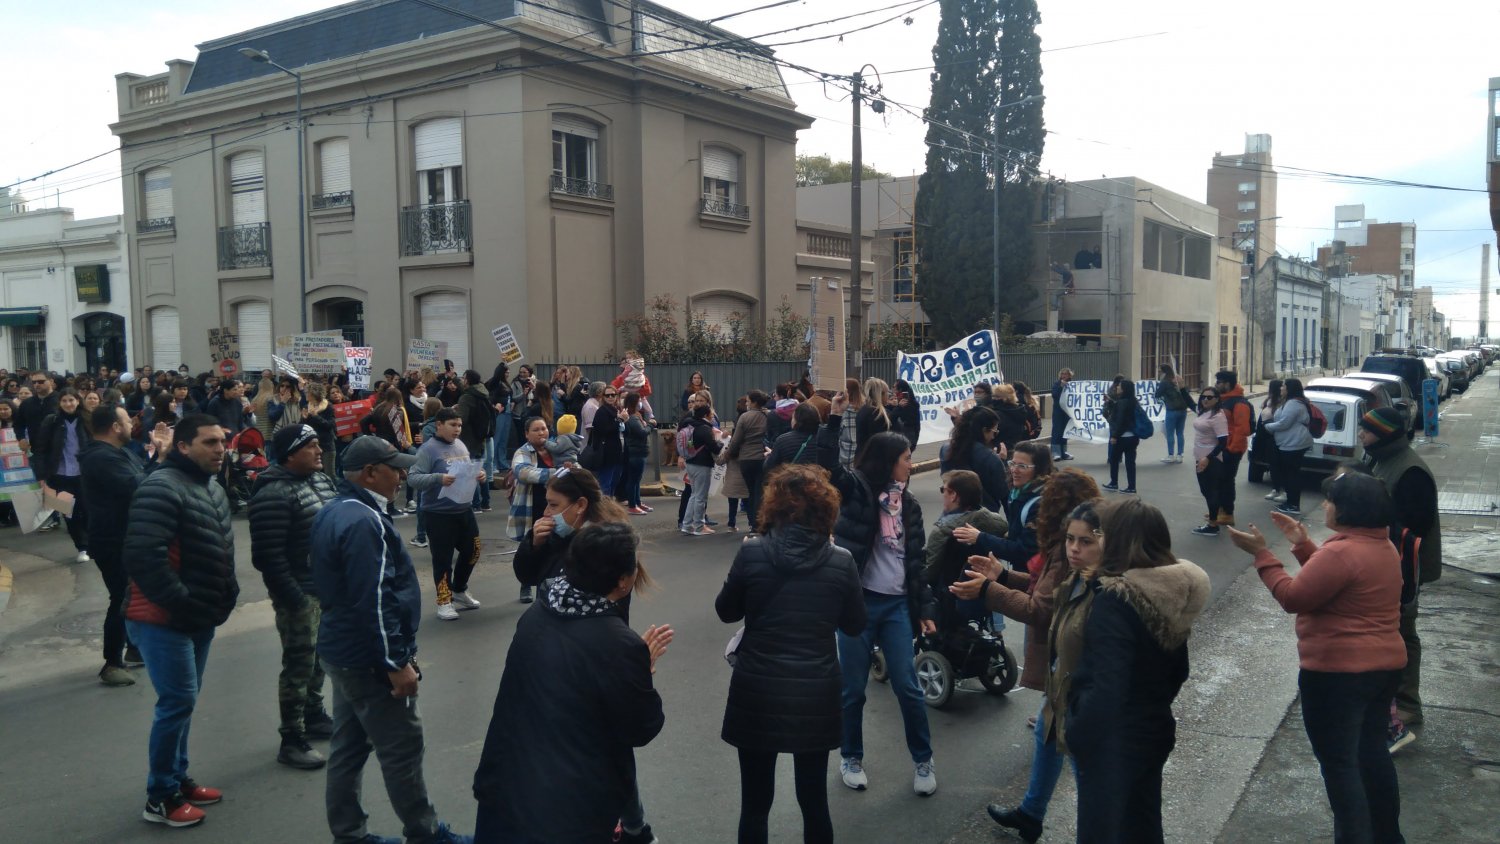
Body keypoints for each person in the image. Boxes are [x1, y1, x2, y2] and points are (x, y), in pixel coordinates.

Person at [1227, 471, 1406, 842]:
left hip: (1338, 674)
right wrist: (1303, 545)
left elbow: (1294, 597)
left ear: (1346, 509)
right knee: (1371, 755)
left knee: (1341, 767)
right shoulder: (1380, 545)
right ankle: (1387, 836)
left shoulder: (1343, 551)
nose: (1325, 504)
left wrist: (1262, 554)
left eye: (1330, 499)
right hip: (1382, 667)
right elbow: (1337, 584)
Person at [310, 436, 472, 844]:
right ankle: (426, 833)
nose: (401, 476)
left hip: (343, 649)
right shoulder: (364, 521)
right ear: (369, 473)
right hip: (368, 659)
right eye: (394, 468)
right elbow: (374, 599)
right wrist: (396, 663)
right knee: (401, 748)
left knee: (348, 746)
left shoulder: (338, 509)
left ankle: (348, 833)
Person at [473, 523, 670, 844]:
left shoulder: (540, 610)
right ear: (623, 581)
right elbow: (641, 728)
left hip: (507, 783)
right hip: (567, 808)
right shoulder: (618, 644)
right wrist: (641, 672)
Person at [717, 464, 865, 844]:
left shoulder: (752, 554)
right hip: (815, 690)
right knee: (814, 800)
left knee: (755, 803)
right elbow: (854, 625)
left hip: (758, 689)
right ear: (826, 509)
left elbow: (726, 611)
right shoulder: (841, 561)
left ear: (774, 506)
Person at [956, 481, 1102, 843]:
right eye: (1073, 540)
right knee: (1047, 734)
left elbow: (1041, 608)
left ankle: (1088, 830)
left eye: (1083, 541)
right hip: (1066, 662)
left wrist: (990, 589)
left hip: (1074, 667)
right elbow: (1044, 593)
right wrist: (1002, 575)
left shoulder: (1071, 554)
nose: (1075, 547)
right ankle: (1032, 813)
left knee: (1080, 759)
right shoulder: (1062, 547)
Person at [1060, 498, 1210, 843]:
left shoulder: (1117, 599)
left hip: (1114, 741)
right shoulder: (1170, 590)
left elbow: (1108, 685)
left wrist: (1079, 731)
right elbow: (1179, 669)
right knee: (1142, 825)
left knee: (1102, 830)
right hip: (1153, 726)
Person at [816, 399, 939, 796]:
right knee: (852, 689)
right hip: (858, 606)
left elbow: (917, 562)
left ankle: (923, 761)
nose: (910, 464)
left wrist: (924, 609)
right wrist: (833, 418)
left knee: (907, 685)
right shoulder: (856, 492)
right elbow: (829, 468)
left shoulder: (910, 506)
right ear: (888, 461)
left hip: (898, 607)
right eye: (905, 458)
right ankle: (850, 757)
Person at [122, 415, 239, 828]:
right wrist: (183, 603)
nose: (219, 449)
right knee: (176, 703)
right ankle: (160, 797)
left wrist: (228, 593)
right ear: (184, 446)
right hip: (161, 618)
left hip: (197, 616)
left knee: (184, 704)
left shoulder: (211, 486)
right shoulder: (160, 486)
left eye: (222, 441)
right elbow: (144, 558)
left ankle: (177, 778)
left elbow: (220, 547)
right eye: (209, 442)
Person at [248, 424, 340, 770]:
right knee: (299, 666)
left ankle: (314, 716)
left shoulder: (320, 480)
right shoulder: (272, 493)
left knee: (320, 661)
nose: (320, 451)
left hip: (326, 590)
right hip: (300, 593)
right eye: (312, 446)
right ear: (290, 453)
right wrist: (296, 599)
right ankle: (292, 737)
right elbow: (268, 558)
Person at [1358, 406, 1441, 733]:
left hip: (1402, 568)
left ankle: (1407, 706)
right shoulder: (1379, 458)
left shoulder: (1411, 471)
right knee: (1385, 635)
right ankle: (1385, 700)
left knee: (1403, 634)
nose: (1360, 434)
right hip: (1381, 563)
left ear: (1385, 433)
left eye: (1366, 429)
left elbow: (1414, 528)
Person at [79, 405, 172, 686]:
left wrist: (157, 453)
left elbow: (140, 471)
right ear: (115, 427)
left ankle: (133, 648)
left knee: (132, 594)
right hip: (112, 539)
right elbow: (138, 485)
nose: (132, 423)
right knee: (121, 598)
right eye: (126, 420)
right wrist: (163, 458)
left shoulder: (118, 452)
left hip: (127, 536)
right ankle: (112, 663)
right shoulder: (100, 457)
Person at [408, 408, 486, 621]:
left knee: (474, 550)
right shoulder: (427, 449)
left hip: (463, 508)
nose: (457, 429)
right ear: (439, 424)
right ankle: (444, 600)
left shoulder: (460, 445)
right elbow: (413, 479)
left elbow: (466, 470)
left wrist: (479, 474)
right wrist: (437, 478)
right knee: (442, 559)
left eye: (459, 425)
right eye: (453, 425)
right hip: (438, 513)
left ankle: (459, 589)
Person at [922, 470, 1009, 631]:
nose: (942, 494)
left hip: (950, 596)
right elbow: (1003, 527)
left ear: (954, 495)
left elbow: (930, 572)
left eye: (943, 490)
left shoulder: (943, 531)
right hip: (983, 594)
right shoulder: (992, 523)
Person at [952, 441, 1053, 570]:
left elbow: (1023, 551)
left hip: (1033, 578)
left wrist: (980, 538)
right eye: (1012, 463)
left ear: (1039, 470)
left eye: (1022, 466)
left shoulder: (1041, 504)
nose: (1014, 470)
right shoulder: (1017, 493)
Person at [29, 387, 93, 561]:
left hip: (85, 474)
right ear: (60, 403)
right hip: (59, 475)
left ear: (78, 401)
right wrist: (42, 476)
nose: (68, 404)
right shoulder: (52, 421)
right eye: (64, 401)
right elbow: (40, 450)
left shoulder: (88, 420)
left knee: (88, 510)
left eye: (71, 400)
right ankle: (82, 547)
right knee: (69, 513)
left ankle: (92, 543)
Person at [507, 417, 559, 604]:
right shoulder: (523, 452)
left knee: (553, 547)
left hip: (555, 507)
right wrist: (556, 473)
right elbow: (523, 472)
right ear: (527, 434)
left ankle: (549, 584)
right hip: (532, 507)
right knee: (530, 547)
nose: (541, 433)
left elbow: (574, 464)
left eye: (544, 428)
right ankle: (526, 584)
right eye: (536, 430)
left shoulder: (555, 449)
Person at [938, 406, 1008, 512]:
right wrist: (1002, 462)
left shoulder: (946, 450)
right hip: (984, 516)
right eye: (994, 432)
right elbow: (1002, 492)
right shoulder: (990, 458)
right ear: (984, 430)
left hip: (952, 512)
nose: (993, 437)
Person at [1261, 377, 1313, 516]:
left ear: (1290, 388)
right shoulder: (1289, 402)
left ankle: (1293, 504)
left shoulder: (1294, 404)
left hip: (1294, 444)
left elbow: (1284, 423)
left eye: (1283, 386)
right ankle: (1290, 501)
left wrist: (1267, 426)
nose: (1281, 388)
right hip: (1288, 443)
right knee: (1289, 473)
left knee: (1292, 475)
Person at [721, 390, 768, 530]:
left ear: (753, 402)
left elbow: (736, 441)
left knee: (751, 492)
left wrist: (727, 455)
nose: (746, 403)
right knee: (761, 491)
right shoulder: (767, 416)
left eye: (747, 401)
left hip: (747, 458)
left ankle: (754, 523)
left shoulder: (745, 417)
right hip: (763, 456)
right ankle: (761, 522)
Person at [1213, 369, 1254, 527]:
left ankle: (1228, 513)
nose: (1216, 385)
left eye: (1219, 382)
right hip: (1221, 447)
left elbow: (1241, 429)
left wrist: (1231, 449)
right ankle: (1220, 510)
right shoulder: (1222, 400)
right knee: (1219, 480)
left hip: (1231, 449)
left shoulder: (1239, 403)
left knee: (1227, 481)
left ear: (1227, 384)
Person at [677, 395, 722, 536]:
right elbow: (715, 448)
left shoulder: (689, 425)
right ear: (707, 414)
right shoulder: (704, 429)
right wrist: (720, 442)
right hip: (702, 464)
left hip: (690, 462)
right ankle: (698, 526)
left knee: (693, 495)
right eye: (711, 414)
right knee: (700, 497)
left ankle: (687, 524)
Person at [1190, 386, 1231, 536]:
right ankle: (1213, 518)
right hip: (1200, 457)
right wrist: (1181, 388)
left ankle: (1213, 525)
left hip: (1210, 459)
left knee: (1211, 491)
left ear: (1217, 399)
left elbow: (1223, 442)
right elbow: (1189, 403)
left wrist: (1208, 458)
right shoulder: (1204, 412)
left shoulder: (1217, 417)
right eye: (1203, 397)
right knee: (1206, 491)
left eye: (1209, 397)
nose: (1205, 400)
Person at [454, 370, 493, 512]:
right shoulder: (483, 393)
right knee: (480, 469)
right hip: (481, 437)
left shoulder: (466, 397)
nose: (462, 380)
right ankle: (486, 502)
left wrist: (455, 412)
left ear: (468, 380)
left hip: (468, 438)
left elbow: (461, 419)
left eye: (464, 378)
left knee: (470, 472)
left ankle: (475, 504)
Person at [1103, 378, 1141, 493]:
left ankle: (1114, 483)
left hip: (1122, 437)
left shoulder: (1122, 402)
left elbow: (1120, 421)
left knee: (1114, 460)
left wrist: (1114, 436)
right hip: (1133, 437)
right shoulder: (1133, 401)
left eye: (1119, 386)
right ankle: (1131, 486)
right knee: (1130, 462)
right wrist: (1111, 403)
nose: (1117, 388)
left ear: (1124, 389)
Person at [588, 382, 626, 496]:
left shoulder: (615, 410)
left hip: (617, 451)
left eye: (613, 395)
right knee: (606, 483)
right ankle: (605, 508)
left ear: (617, 396)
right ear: (603, 397)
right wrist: (619, 420)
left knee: (614, 482)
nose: (610, 397)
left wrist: (622, 420)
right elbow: (604, 430)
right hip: (606, 452)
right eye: (607, 395)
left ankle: (610, 507)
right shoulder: (602, 411)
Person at [764, 402, 823, 471]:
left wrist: (769, 456)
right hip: (818, 480)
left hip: (793, 480)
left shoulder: (783, 440)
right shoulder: (823, 439)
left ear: (796, 420)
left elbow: (769, 468)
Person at [620, 392, 653, 515]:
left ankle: (637, 502)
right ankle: (632, 505)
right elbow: (642, 433)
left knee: (637, 480)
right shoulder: (632, 418)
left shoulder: (635, 416)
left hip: (639, 452)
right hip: (636, 452)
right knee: (633, 480)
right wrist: (651, 425)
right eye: (639, 400)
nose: (641, 403)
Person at [1256, 379, 1286, 502]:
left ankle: (1283, 490)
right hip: (1267, 435)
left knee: (1279, 465)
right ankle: (1275, 489)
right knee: (1272, 464)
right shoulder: (1269, 400)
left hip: (1276, 436)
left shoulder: (1282, 402)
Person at [1157, 364, 1190, 464]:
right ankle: (1180, 455)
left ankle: (1171, 455)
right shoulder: (1178, 380)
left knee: (1170, 433)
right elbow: (1186, 391)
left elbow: (1157, 394)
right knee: (1180, 433)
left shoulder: (1165, 382)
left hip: (1171, 410)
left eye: (1159, 371)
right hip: (1183, 410)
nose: (1158, 373)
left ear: (1164, 372)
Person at [854, 378, 892, 456]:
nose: (889, 395)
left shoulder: (864, 409)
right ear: (880, 394)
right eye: (887, 393)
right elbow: (879, 443)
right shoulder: (877, 413)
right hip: (873, 460)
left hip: (862, 457)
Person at [836, 377, 864, 468]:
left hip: (844, 456)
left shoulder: (843, 411)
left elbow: (836, 433)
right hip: (861, 455)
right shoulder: (865, 409)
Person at [889, 379, 922, 451]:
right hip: (899, 437)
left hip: (907, 437)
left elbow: (892, 419)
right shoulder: (897, 403)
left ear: (900, 389)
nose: (893, 389)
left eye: (894, 387)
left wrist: (898, 407)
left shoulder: (911, 404)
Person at [1050, 368, 1075, 461]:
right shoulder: (1057, 384)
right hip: (1058, 411)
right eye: (1062, 374)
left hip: (1067, 412)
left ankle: (1064, 452)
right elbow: (1054, 394)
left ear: (1070, 375)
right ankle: (1055, 453)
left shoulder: (1073, 385)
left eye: (1066, 374)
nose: (1064, 376)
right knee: (1057, 431)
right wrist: (1061, 386)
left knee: (1065, 432)